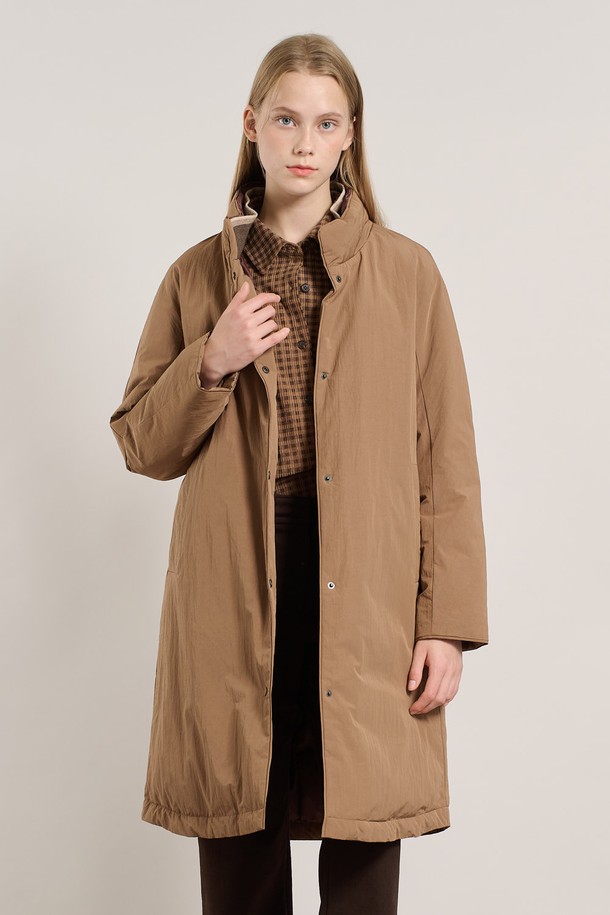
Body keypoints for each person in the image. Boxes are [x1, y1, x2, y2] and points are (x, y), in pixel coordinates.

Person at [109, 32, 489, 915]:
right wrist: (212, 359)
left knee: (364, 838)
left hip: (367, 585)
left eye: (325, 123)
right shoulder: (196, 277)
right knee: (240, 833)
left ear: (351, 134)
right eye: (286, 120)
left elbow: (449, 460)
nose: (305, 142)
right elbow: (141, 444)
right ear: (252, 125)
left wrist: (446, 624)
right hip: (237, 581)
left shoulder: (407, 274)